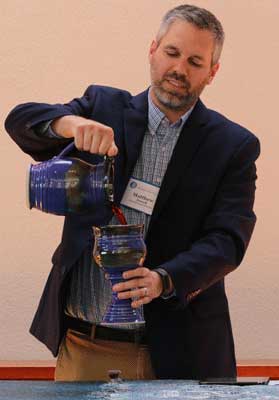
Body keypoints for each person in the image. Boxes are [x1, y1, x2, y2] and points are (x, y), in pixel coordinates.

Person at [5, 4, 260, 381]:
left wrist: (164, 279)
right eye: (172, 53)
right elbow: (19, 120)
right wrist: (71, 124)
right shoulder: (102, 107)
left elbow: (228, 241)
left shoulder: (232, 146)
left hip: (182, 356)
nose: (179, 69)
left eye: (195, 61)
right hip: (86, 349)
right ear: (153, 49)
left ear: (212, 72)